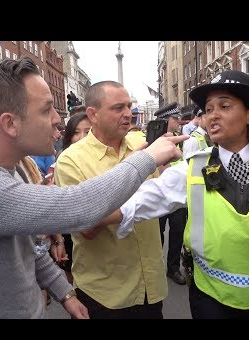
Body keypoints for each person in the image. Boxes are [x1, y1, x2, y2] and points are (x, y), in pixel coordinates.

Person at [0, 57, 186, 319]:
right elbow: (79, 207)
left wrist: (64, 292)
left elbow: (27, 245)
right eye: (46, 109)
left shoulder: (6, 173)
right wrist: (148, 157)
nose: (58, 119)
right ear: (10, 123)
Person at [101, 70, 249, 318]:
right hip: (210, 301)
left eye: (224, 106)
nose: (213, 116)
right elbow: (128, 206)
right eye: (208, 109)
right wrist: (79, 212)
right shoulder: (192, 168)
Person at [55, 81, 182, 319]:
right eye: (118, 108)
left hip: (150, 288)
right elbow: (87, 229)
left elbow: (164, 191)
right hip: (105, 295)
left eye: (129, 106)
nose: (128, 114)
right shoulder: (71, 160)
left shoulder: (142, 143)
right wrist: (132, 168)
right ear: (92, 114)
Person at [53, 111, 92, 284]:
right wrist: (58, 240)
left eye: (88, 131)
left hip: (100, 243)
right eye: (76, 132)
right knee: (73, 279)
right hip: (70, 232)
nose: (82, 137)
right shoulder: (62, 161)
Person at [153, 102, 187, 285]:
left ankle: (173, 268)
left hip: (177, 195)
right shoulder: (153, 141)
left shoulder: (177, 139)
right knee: (156, 233)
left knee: (177, 232)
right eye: (176, 119)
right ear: (166, 120)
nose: (179, 121)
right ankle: (156, 267)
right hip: (160, 194)